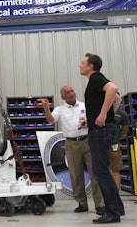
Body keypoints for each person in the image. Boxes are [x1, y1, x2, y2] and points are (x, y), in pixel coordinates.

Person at [42, 86, 104, 215]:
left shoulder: (85, 105)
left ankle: (100, 204)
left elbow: (96, 118)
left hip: (88, 140)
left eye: (72, 91)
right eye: (67, 93)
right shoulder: (60, 109)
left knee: (95, 173)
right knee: (76, 175)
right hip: (71, 144)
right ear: (63, 97)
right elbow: (50, 120)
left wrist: (89, 123)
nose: (70, 94)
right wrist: (46, 108)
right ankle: (82, 203)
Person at [79, 53, 124, 224]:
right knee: (103, 170)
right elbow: (117, 98)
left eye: (82, 63)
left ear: (90, 66)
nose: (80, 65)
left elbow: (113, 89)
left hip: (100, 131)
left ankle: (112, 212)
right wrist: (94, 118)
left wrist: (104, 114)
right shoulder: (95, 80)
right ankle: (117, 207)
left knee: (101, 171)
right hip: (101, 128)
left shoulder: (96, 78)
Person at [110, 106, 129, 190]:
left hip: (114, 145)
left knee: (116, 170)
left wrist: (117, 137)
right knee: (102, 170)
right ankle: (103, 197)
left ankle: (116, 195)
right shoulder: (101, 109)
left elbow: (125, 129)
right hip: (101, 145)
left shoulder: (121, 113)